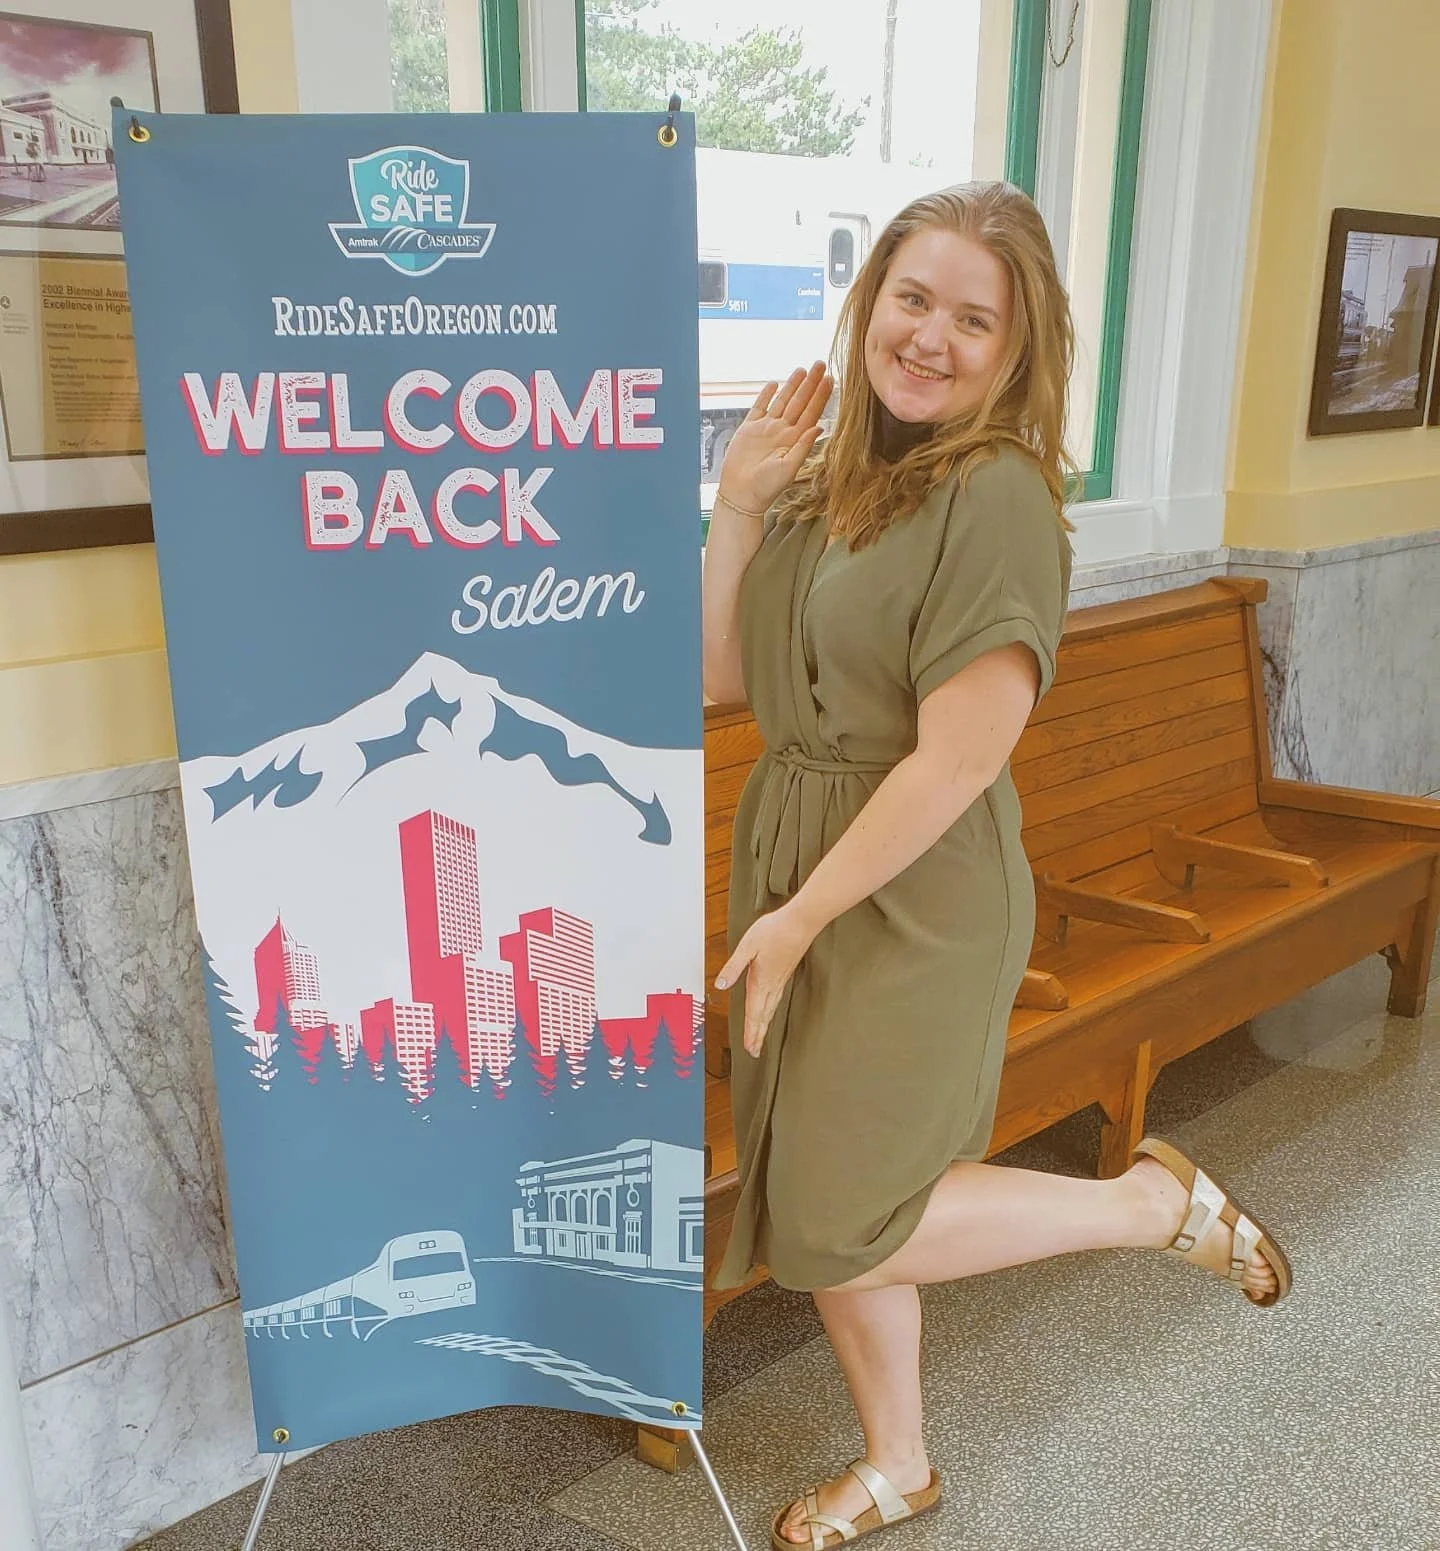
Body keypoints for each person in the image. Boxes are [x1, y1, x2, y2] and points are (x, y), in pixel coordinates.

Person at [700, 182, 1292, 1551]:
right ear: (869, 305)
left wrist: (797, 923)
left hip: (908, 894)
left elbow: (956, 763)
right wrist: (735, 507)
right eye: (913, 298)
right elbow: (724, 676)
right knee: (813, 1183)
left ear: (1015, 354)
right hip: (796, 867)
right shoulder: (828, 474)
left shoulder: (1001, 497)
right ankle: (899, 1459)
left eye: (975, 319)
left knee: (842, 1214)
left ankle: (1145, 1202)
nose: (931, 337)